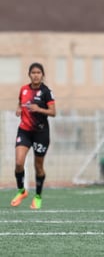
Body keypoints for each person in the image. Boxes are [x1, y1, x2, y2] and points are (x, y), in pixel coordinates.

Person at [11, 62, 56, 209]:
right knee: (19, 162)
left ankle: (37, 196)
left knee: (38, 167)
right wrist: (18, 109)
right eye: (33, 72)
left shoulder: (46, 92)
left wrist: (38, 109)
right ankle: (21, 191)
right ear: (29, 74)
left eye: (38, 72)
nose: (36, 75)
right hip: (24, 131)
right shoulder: (23, 89)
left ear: (42, 75)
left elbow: (53, 112)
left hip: (40, 133)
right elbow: (20, 102)